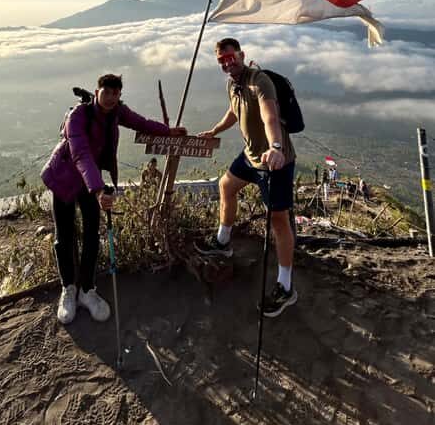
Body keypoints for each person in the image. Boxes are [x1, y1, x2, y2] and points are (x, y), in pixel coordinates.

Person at [41, 73, 186, 325]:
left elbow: (141, 123)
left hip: (90, 181)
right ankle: (69, 289)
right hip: (64, 178)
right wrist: (98, 190)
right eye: (106, 92)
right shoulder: (78, 116)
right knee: (64, 236)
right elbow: (81, 155)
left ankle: (87, 290)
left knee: (91, 235)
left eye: (115, 94)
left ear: (119, 95)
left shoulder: (117, 111)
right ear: (97, 92)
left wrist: (169, 131)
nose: (110, 98)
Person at [196, 38, 297, 317]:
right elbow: (233, 111)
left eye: (231, 57)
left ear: (242, 55)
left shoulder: (259, 81)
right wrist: (215, 130)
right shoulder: (233, 84)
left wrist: (276, 148)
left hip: (275, 162)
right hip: (251, 157)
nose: (228, 63)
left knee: (279, 220)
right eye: (222, 60)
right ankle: (223, 242)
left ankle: (286, 287)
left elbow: (270, 118)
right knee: (226, 186)